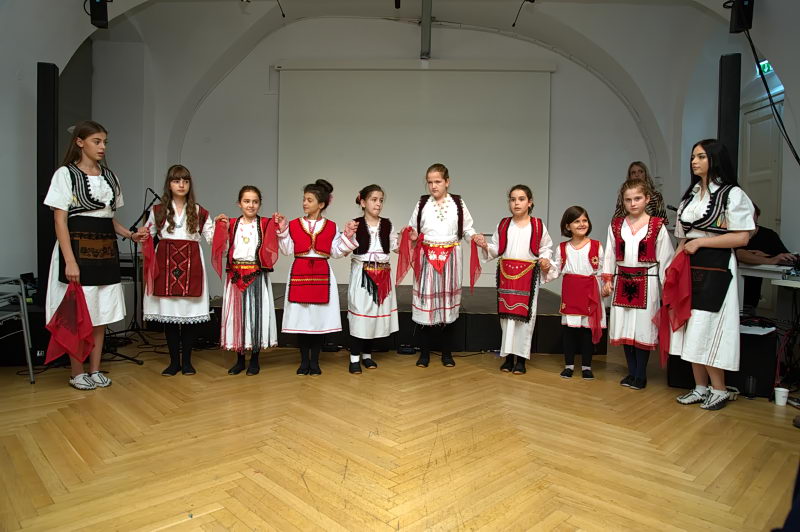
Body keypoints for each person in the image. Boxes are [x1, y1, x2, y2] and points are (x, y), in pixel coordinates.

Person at [43, 120, 147, 390]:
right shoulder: (65, 174)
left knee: (100, 313)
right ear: (80, 142)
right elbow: (60, 221)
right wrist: (69, 260)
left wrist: (130, 235)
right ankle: (77, 373)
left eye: (104, 142)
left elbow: (107, 217)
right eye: (96, 141)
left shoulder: (110, 177)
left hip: (105, 251)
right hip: (77, 250)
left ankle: (95, 369)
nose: (102, 147)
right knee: (79, 313)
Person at [671, 139, 755, 410]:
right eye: (693, 157)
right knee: (691, 324)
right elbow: (683, 239)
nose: (694, 162)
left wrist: (701, 242)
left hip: (717, 267)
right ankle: (700, 387)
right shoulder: (691, 195)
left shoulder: (732, 194)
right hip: (690, 266)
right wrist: (672, 269)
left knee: (709, 325)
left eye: (701, 157)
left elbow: (741, 237)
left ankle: (719, 389)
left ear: (715, 159)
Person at [274, 179, 358, 376]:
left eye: (309, 200)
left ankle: (315, 361)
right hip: (300, 274)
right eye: (304, 199)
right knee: (302, 320)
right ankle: (304, 361)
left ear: (321, 204)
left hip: (322, 276)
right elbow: (287, 249)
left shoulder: (330, 226)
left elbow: (336, 251)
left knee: (318, 320)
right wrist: (283, 231)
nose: (305, 203)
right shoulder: (294, 224)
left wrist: (347, 236)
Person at [401, 163, 481, 368]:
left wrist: (475, 237)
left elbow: (468, 229)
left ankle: (447, 353)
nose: (433, 186)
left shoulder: (458, 203)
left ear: (447, 182)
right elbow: (413, 230)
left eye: (437, 181)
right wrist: (412, 235)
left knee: (448, 304)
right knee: (426, 304)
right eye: (430, 182)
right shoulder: (422, 203)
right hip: (427, 258)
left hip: (451, 258)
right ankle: (424, 354)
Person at [143, 165, 215, 376]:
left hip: (192, 265)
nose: (181, 185)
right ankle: (174, 362)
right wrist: (140, 235)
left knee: (189, 314)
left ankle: (188, 362)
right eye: (176, 181)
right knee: (170, 317)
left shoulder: (200, 211)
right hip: (165, 265)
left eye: (185, 181)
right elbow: (147, 235)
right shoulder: (157, 210)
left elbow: (212, 238)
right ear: (169, 184)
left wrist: (222, 227)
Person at [602, 178, 674, 390]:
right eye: (628, 199)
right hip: (622, 280)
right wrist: (608, 280)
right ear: (623, 201)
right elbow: (609, 254)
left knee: (642, 328)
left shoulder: (657, 226)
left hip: (647, 281)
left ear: (647, 199)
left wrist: (667, 288)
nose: (633, 203)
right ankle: (631, 371)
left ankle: (640, 374)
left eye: (637, 198)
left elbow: (666, 258)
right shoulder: (616, 225)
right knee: (624, 327)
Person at [475, 185, 554, 375]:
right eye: (513, 199)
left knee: (526, 318)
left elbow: (546, 248)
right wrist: (485, 245)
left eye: (521, 199)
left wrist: (545, 260)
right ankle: (508, 357)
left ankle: (521, 360)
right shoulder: (503, 224)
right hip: (507, 277)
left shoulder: (538, 225)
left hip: (528, 277)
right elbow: (496, 249)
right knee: (507, 317)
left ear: (530, 202)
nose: (516, 203)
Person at [212, 186, 279, 376]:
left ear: (260, 204)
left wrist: (278, 226)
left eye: (255, 201)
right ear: (239, 204)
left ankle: (255, 359)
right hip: (235, 276)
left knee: (256, 315)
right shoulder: (232, 224)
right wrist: (218, 228)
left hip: (257, 274)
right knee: (238, 317)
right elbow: (222, 248)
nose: (251, 205)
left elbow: (274, 246)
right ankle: (240, 359)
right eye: (247, 201)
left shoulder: (265, 224)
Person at [346, 184, 399, 374]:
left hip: (383, 275)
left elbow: (396, 247)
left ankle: (367, 356)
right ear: (363, 202)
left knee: (374, 317)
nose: (378, 204)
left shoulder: (387, 225)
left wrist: (410, 240)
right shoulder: (355, 224)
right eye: (374, 200)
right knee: (361, 316)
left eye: (381, 200)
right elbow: (343, 250)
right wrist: (348, 235)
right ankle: (354, 358)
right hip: (362, 276)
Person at [555, 206, 606, 379]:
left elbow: (602, 270)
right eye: (577, 221)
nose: (582, 224)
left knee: (587, 331)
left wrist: (605, 286)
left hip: (590, 292)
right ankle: (569, 365)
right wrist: (546, 266)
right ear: (567, 226)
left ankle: (586, 366)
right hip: (571, 292)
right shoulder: (562, 248)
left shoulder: (596, 246)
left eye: (584, 220)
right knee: (569, 330)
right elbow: (555, 270)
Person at [735, 204, 795, 313]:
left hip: (751, 295)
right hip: (730, 289)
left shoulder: (768, 235)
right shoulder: (732, 234)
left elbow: (785, 257)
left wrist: (766, 256)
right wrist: (770, 260)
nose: (748, 216)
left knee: (748, 317)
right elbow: (739, 254)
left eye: (751, 213)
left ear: (757, 215)